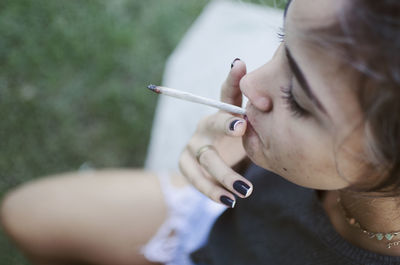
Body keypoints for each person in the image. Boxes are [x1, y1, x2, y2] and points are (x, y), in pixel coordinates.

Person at [1, 0, 400, 264]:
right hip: (221, 226)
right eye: (283, 39)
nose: (250, 83)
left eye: (297, 99)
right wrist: (236, 155)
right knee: (25, 214)